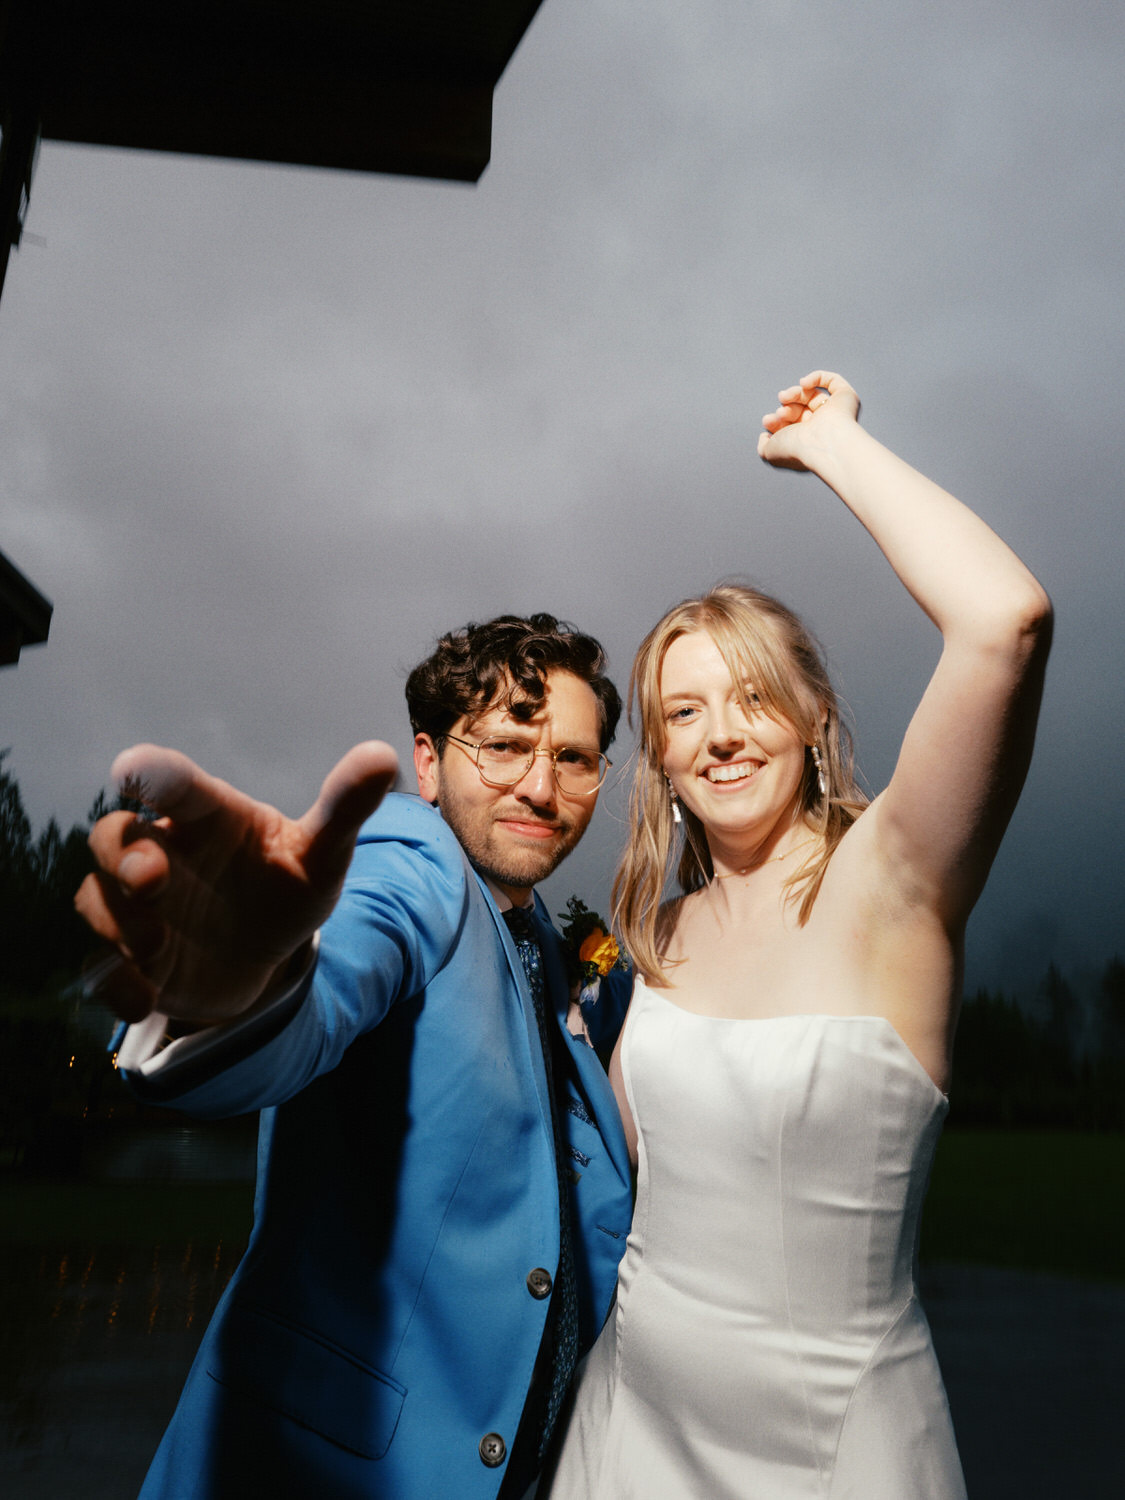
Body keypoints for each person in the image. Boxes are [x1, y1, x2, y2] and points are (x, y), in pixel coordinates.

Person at [539, 371, 1052, 1499]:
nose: (721, 737)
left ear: (815, 718)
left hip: (834, 1452)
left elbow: (1003, 622)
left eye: (754, 698)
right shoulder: (645, 941)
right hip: (626, 1436)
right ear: (662, 762)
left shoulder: (895, 885)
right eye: (684, 713)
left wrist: (833, 445)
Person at [75, 613, 635, 1500]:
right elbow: (335, 981)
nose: (540, 786)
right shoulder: (416, 866)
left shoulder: (552, 958)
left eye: (573, 758)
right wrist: (247, 985)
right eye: (502, 746)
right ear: (426, 760)